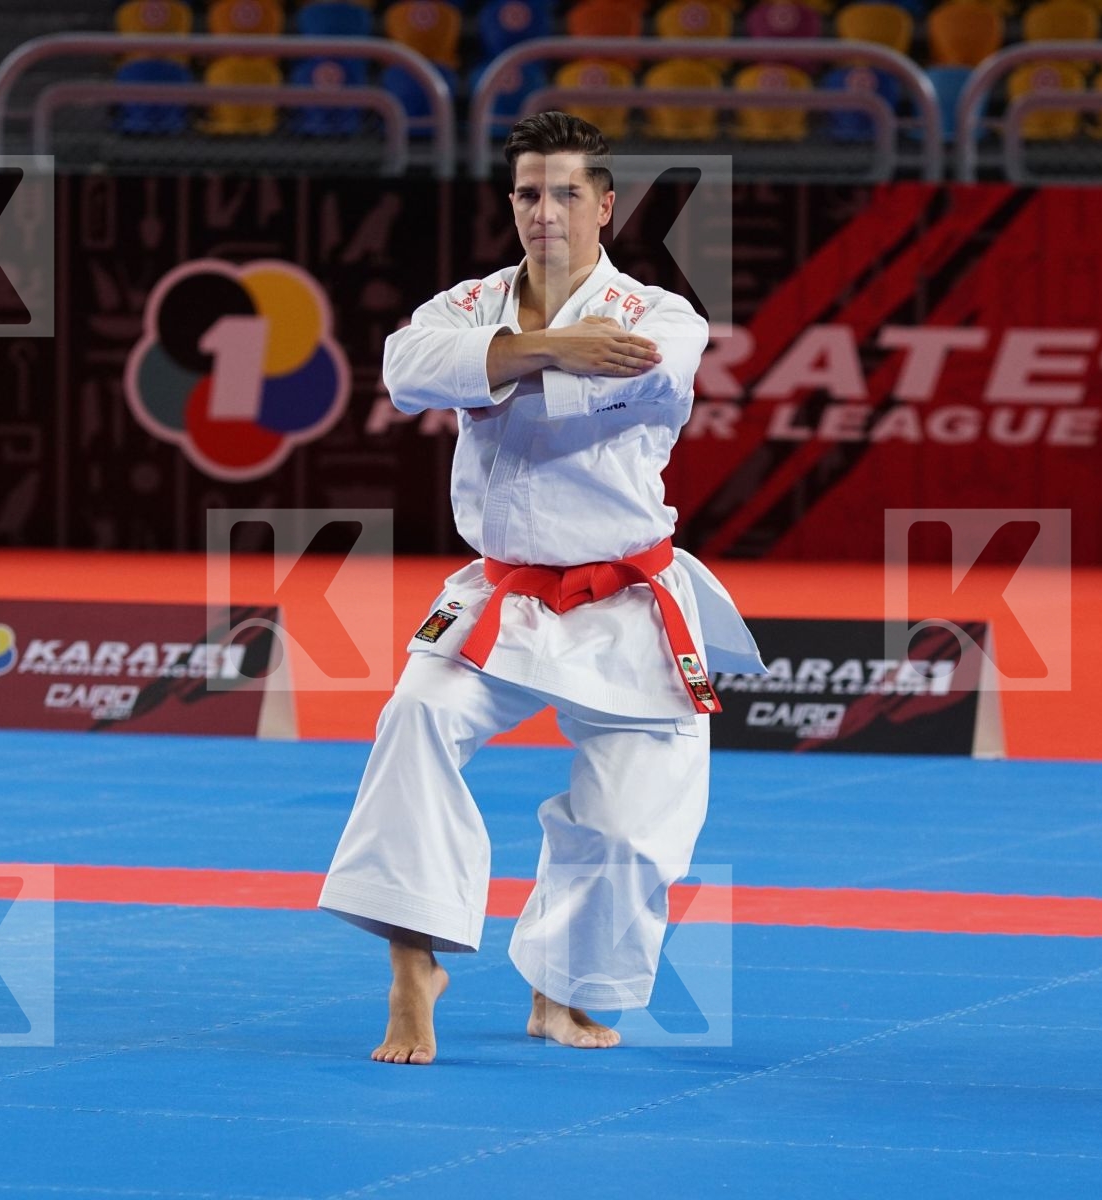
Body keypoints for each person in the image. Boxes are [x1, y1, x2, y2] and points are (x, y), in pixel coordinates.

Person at [317, 112, 766, 1064]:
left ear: (604, 205)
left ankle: (559, 987)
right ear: (511, 203)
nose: (546, 211)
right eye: (529, 193)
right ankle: (415, 965)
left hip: (628, 600)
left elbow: (636, 378)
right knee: (415, 723)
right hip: (503, 593)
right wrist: (548, 349)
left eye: (567, 193)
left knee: (640, 824)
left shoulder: (662, 316)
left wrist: (508, 363)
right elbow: (406, 367)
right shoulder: (470, 301)